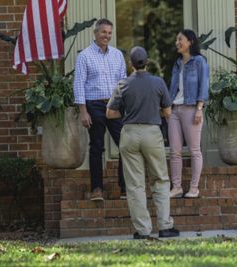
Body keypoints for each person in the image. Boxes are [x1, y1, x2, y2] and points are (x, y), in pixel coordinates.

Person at [106, 46, 180, 239]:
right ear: (147, 62)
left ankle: (142, 230)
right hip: (152, 132)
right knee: (160, 180)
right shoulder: (157, 82)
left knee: (135, 185)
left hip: (129, 134)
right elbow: (168, 112)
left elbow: (110, 113)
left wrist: (130, 113)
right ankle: (165, 227)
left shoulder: (123, 84)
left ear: (131, 64)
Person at [73, 18, 126, 201]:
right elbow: (79, 84)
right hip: (94, 104)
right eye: (104, 32)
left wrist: (122, 106)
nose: (107, 36)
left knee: (125, 145)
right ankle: (97, 188)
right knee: (96, 147)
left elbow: (123, 83)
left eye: (110, 33)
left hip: (114, 104)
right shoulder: (85, 56)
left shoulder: (117, 55)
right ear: (95, 33)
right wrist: (83, 111)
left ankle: (125, 188)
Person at [168, 29, 209, 199]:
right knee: (174, 151)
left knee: (194, 150)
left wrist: (199, 108)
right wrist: (167, 107)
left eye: (180, 39)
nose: (177, 42)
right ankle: (176, 187)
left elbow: (204, 85)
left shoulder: (199, 61)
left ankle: (194, 187)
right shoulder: (177, 63)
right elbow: (172, 88)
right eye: (177, 40)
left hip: (192, 109)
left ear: (190, 42)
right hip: (175, 111)